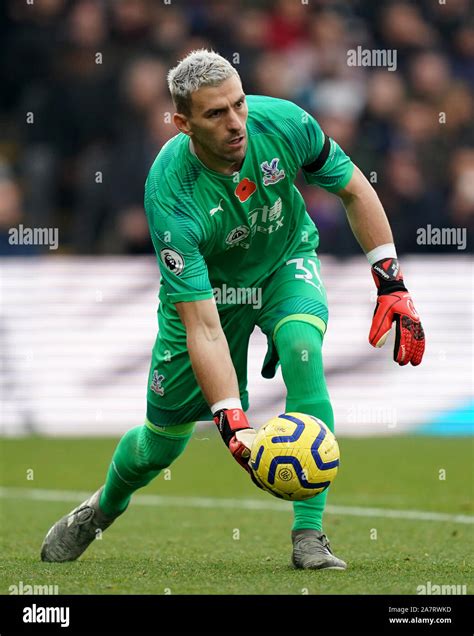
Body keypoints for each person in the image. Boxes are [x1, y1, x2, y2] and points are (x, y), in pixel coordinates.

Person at [41, 50, 425, 569]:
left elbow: (354, 189)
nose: (236, 122)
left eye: (239, 104)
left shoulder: (285, 123)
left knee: (301, 348)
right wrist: (230, 418)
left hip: (284, 262)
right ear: (183, 123)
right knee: (160, 448)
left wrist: (392, 283)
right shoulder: (171, 195)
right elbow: (201, 325)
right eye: (216, 114)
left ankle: (309, 536)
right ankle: (101, 508)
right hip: (211, 299)